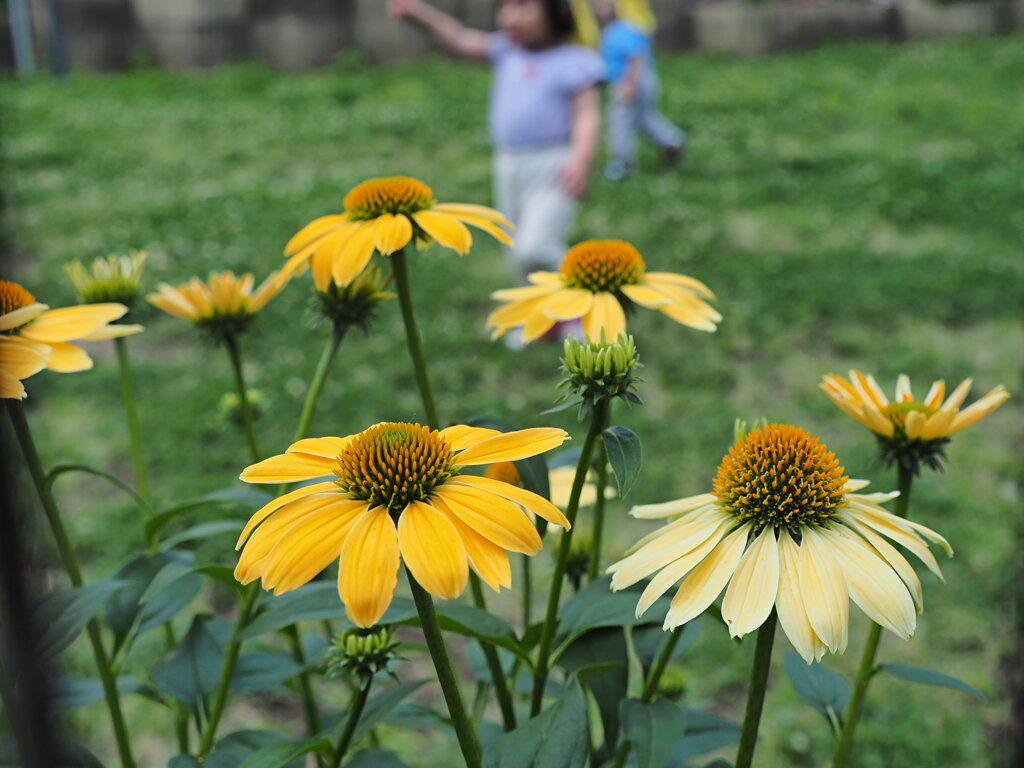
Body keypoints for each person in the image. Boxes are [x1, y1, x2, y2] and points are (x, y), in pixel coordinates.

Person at [389, 0, 604, 292]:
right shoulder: (505, 50)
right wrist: (419, 16)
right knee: (514, 249)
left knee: (535, 248)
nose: (509, 17)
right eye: (504, 7)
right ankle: (537, 317)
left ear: (556, 12)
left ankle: (585, 289)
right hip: (509, 164)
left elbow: (586, 116)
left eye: (522, 6)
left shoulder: (574, 60)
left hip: (556, 166)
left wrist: (580, 159)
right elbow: (460, 38)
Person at [595, 0, 684, 181]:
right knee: (644, 119)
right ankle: (672, 141)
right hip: (639, 81)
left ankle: (622, 163)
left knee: (619, 123)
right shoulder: (613, 30)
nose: (600, 7)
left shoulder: (623, 30)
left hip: (630, 81)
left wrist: (629, 85)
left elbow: (635, 58)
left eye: (605, 4)